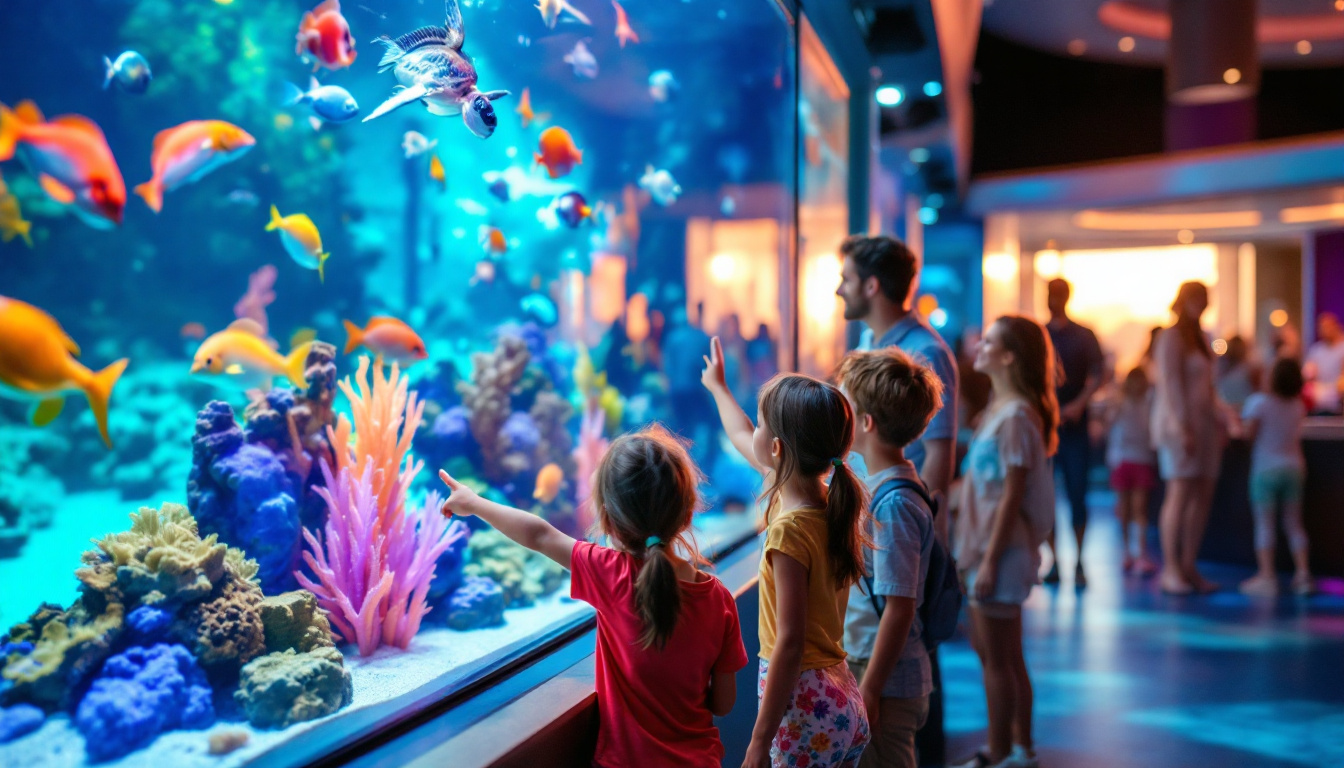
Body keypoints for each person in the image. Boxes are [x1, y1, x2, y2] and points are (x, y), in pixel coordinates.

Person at [436, 427, 749, 768]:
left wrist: (474, 503)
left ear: (608, 522)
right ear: (688, 512)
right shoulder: (719, 600)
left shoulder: (609, 573)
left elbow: (539, 535)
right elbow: (723, 703)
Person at [702, 339, 871, 768]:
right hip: (840, 692)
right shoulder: (828, 499)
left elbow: (791, 642)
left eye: (761, 425)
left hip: (805, 705)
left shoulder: (788, 530)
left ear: (776, 449)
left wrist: (759, 740)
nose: (751, 432)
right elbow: (742, 435)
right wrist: (718, 387)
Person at [835, 234, 958, 766]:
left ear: (871, 284)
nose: (839, 289)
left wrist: (908, 511)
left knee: (906, 635)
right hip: (879, 512)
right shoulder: (868, 340)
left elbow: (941, 453)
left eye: (845, 278)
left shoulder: (925, 353)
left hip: (895, 517)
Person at [952, 316, 1059, 768]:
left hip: (1000, 551)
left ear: (1009, 356)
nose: (979, 345)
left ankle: (1001, 752)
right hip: (987, 548)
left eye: (990, 341)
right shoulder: (1003, 410)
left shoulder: (1015, 417)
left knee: (998, 658)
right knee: (1002, 654)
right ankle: (1019, 747)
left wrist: (989, 560)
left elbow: (1012, 495)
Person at [835, 348, 944, 768]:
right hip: (875, 668)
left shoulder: (894, 504)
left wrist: (871, 690)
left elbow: (899, 608)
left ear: (865, 423)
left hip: (887, 680)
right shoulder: (883, 483)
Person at [1151, 282, 1224, 595]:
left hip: (1205, 427)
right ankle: (1171, 568)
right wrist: (1182, 427)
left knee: (1202, 494)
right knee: (1180, 492)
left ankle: (1188, 563)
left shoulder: (1202, 339)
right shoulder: (1171, 337)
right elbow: (1170, 385)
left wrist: (1225, 418)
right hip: (1179, 427)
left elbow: (1208, 391)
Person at [1041, 279, 1103, 588]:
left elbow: (1097, 374)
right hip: (1048, 428)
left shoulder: (1084, 335)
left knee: (1078, 494)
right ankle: (1054, 559)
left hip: (1074, 428)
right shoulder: (1041, 335)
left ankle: (1077, 560)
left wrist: (1079, 404)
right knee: (1046, 497)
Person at [1239, 358, 1314, 597]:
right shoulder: (1297, 406)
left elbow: (1248, 434)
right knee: (1294, 524)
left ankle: (1267, 576)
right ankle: (1303, 575)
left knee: (1265, 523)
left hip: (1265, 470)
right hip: (1294, 468)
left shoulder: (1258, 403)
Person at [1104, 367, 1158, 576]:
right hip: (1128, 458)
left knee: (1133, 509)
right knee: (1132, 510)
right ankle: (1132, 553)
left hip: (1133, 458)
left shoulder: (1147, 402)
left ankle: (1134, 553)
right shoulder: (1123, 402)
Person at [664, 303, 718, 467]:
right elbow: (708, 364)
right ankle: (703, 463)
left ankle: (682, 463)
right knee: (705, 424)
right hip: (696, 389)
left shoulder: (672, 338)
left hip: (678, 391)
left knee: (683, 427)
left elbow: (668, 367)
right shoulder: (700, 337)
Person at [1304, 312, 1344, 415]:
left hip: (1338, 397)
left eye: (1327, 327)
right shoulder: (1316, 350)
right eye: (1322, 327)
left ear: (1335, 326)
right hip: (1319, 397)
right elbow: (1308, 373)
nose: (1325, 331)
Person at [1215, 336, 1259, 413]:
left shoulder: (1220, 368)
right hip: (1244, 410)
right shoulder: (1249, 369)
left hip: (1227, 410)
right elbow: (1256, 393)